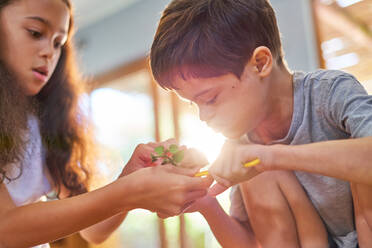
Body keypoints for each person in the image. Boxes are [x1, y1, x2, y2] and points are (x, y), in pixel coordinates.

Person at [149, 0, 372, 247]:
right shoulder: (241, 142)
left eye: (210, 99)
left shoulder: (329, 92)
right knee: (257, 175)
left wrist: (269, 157)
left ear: (260, 63)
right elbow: (250, 242)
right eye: (193, 103)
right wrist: (205, 202)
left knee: (360, 155)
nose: (203, 115)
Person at [0, 0, 213, 247]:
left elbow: (94, 231)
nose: (50, 52)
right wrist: (128, 191)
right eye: (35, 33)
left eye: (59, 43)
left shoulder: (45, 122)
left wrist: (130, 179)